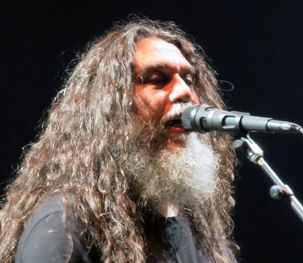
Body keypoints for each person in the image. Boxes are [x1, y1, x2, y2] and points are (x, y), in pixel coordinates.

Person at [0, 18, 239, 262]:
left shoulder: (199, 224)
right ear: (113, 108)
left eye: (189, 80)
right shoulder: (65, 226)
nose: (184, 92)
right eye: (158, 79)